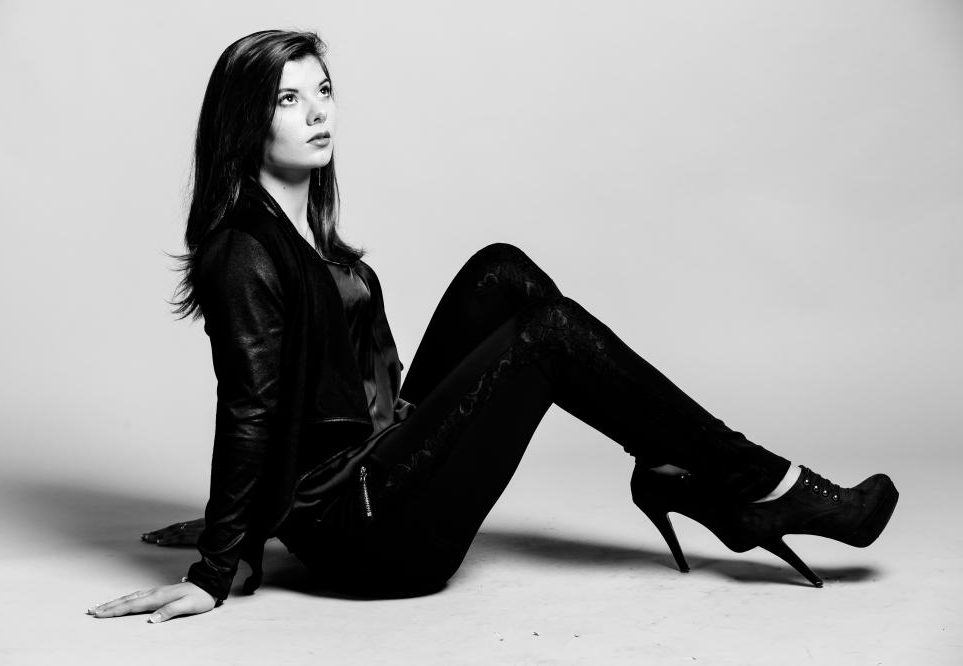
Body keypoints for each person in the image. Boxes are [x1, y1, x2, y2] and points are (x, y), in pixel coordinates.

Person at [89, 29, 899, 623]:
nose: (316, 113)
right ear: (246, 121)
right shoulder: (242, 252)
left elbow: (324, 392)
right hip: (369, 536)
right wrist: (218, 562)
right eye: (287, 99)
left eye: (323, 90)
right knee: (548, 330)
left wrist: (240, 518)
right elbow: (251, 408)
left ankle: (686, 474)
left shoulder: (304, 231)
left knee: (500, 271)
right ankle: (763, 486)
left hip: (380, 458)